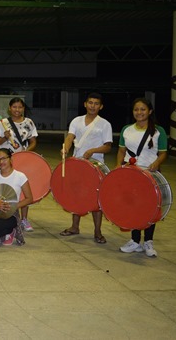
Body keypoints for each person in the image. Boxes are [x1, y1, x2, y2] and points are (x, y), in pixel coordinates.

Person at [117, 97, 167, 258]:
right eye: (136, 109)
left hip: (150, 175)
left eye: (143, 109)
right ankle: (135, 241)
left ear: (150, 111)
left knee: (150, 208)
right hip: (131, 174)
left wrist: (156, 162)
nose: (139, 112)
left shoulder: (159, 131)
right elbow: (121, 151)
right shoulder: (127, 129)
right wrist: (118, 167)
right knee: (133, 207)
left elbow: (163, 153)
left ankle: (149, 242)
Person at [59, 93, 113, 243]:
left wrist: (93, 151)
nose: (93, 106)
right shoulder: (77, 121)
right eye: (90, 102)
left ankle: (97, 232)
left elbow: (108, 146)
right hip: (78, 164)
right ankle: (74, 227)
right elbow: (70, 137)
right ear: (85, 104)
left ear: (101, 106)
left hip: (96, 165)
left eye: (96, 103)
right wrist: (66, 148)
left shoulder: (105, 124)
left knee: (96, 199)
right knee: (77, 195)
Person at [0, 97, 38, 232]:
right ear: (9, 108)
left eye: (20, 107)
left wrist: (25, 152)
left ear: (23, 108)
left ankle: (24, 219)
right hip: (5, 162)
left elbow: (33, 142)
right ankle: (2, 214)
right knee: (3, 189)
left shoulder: (29, 122)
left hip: (23, 161)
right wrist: (4, 137)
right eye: (14, 107)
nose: (17, 110)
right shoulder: (3, 123)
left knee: (23, 191)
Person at [0, 148, 34, 246]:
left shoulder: (20, 176)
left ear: (11, 159)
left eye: (4, 158)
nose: (1, 162)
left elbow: (29, 198)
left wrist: (14, 206)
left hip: (10, 213)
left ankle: (11, 231)